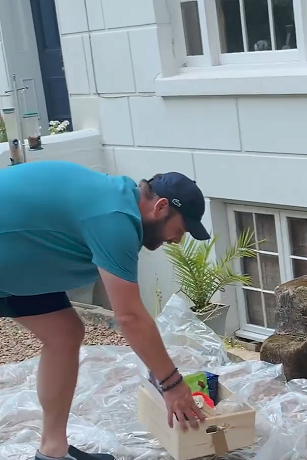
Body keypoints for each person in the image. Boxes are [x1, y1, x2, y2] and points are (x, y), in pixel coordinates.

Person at [0, 160, 211, 460]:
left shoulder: (116, 204)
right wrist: (172, 384)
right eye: (181, 228)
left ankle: (52, 451)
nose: (177, 239)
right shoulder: (115, 218)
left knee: (65, 333)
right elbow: (129, 316)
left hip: (15, 255)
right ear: (161, 206)